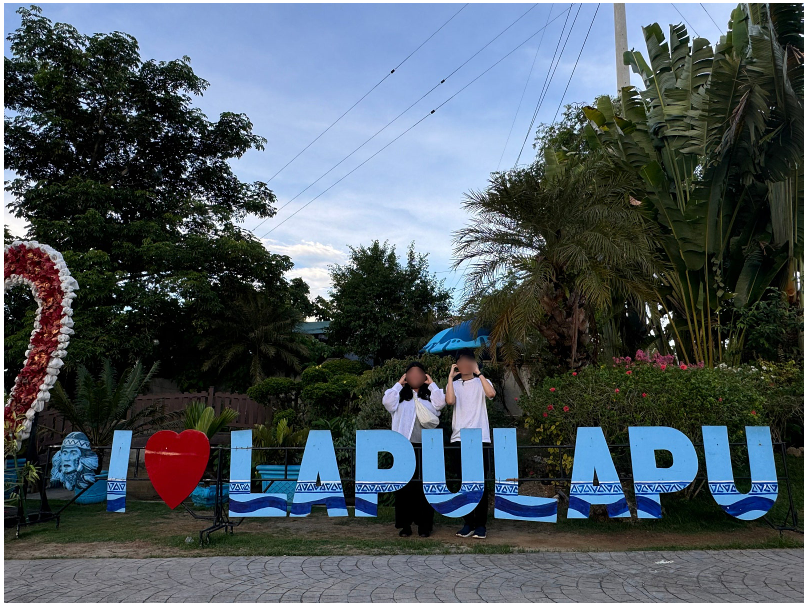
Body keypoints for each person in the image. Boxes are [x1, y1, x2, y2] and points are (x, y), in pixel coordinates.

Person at [382, 361, 446, 538]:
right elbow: (386, 401)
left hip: (426, 448)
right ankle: (405, 525)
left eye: (419, 373)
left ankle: (425, 525)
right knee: (404, 489)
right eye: (411, 373)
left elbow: (442, 402)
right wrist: (399, 384)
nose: (415, 376)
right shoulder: (399, 399)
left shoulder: (430, 398)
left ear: (424, 376)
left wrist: (431, 384)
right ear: (406, 377)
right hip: (404, 448)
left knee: (424, 488)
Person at [445, 348, 496, 539]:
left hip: (480, 438)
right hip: (459, 438)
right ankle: (468, 522)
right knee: (463, 483)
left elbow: (491, 394)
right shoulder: (454, 385)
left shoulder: (482, 382)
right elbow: (449, 401)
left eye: (468, 360)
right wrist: (451, 378)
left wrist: (479, 373)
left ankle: (481, 525)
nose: (464, 364)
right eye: (461, 361)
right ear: (456, 364)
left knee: (479, 483)